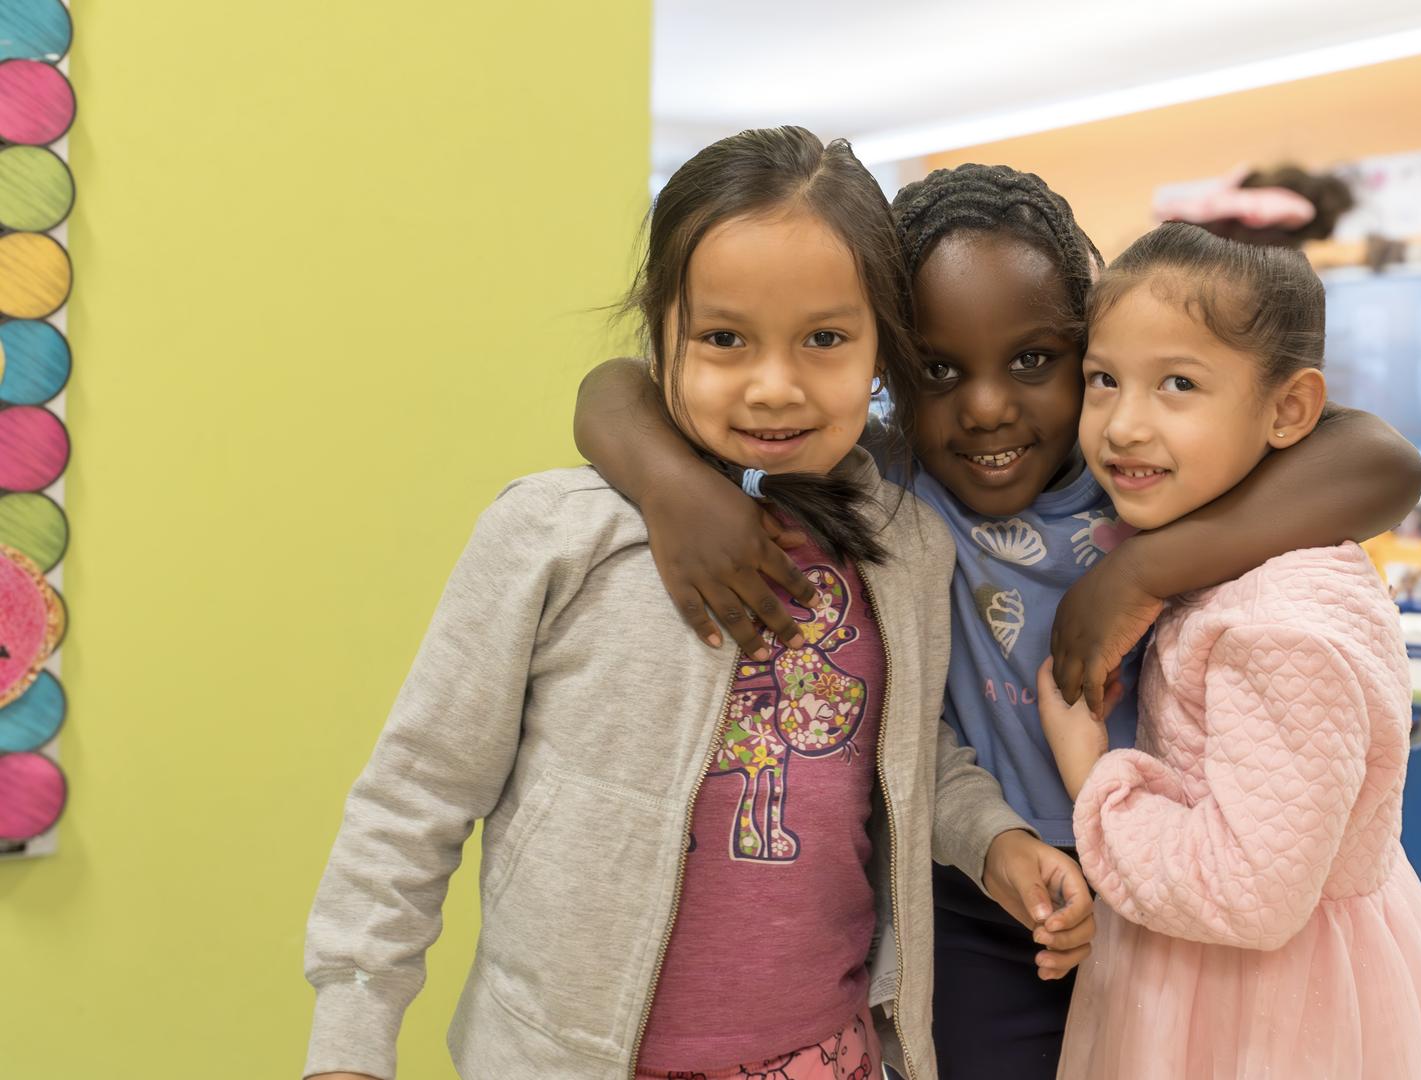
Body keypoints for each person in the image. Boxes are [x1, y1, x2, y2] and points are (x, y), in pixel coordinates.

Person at [572, 163, 1421, 1080]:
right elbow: (612, 388)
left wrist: (1144, 567)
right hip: (975, 894)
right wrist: (674, 492)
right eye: (937, 369)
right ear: (889, 365)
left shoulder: (1140, 465)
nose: (985, 406)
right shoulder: (886, 481)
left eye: (1035, 360)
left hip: (1173, 886)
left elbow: (1382, 461)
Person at [302, 128, 1087, 1080]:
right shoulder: (554, 536)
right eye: (723, 339)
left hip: (829, 1057)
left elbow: (909, 752)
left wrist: (992, 837)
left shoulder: (905, 545)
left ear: (885, 346)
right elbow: (416, 794)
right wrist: (350, 1036)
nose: (773, 384)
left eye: (826, 339)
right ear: (659, 326)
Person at [1039, 222, 1421, 1078]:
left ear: (1288, 410)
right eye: (1104, 380)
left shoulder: (1276, 625)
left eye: (1178, 384)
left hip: (1263, 1006)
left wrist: (1092, 777)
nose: (1124, 424)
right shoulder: (1236, 556)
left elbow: (1246, 892)